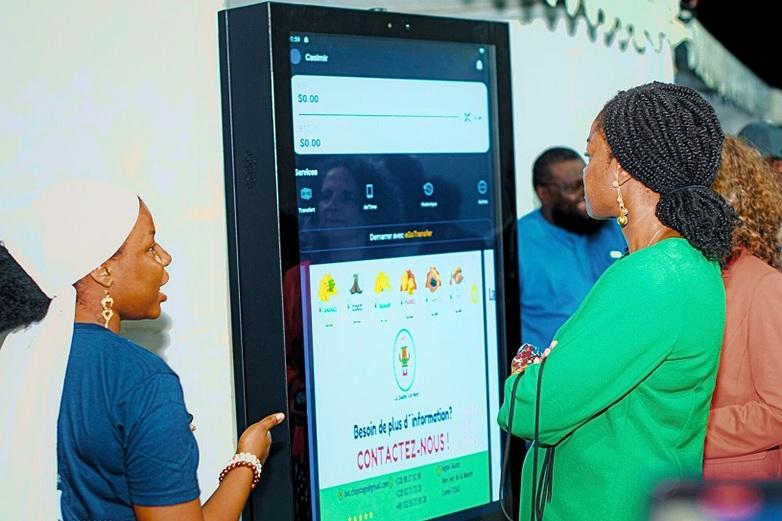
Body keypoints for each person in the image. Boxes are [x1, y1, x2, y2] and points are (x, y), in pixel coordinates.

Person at [498, 82, 737, 521]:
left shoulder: (650, 278)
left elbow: (533, 408)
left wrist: (524, 378)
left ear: (621, 170)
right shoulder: (688, 262)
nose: (586, 171)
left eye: (591, 156)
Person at [0, 180, 284, 521]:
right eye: (149, 247)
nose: (165, 257)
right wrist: (247, 461)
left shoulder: (19, 358)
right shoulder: (141, 379)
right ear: (102, 270)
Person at [704, 135, 782, 479]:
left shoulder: (763, 285)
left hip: (737, 488)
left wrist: (684, 428)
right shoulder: (694, 277)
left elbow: (777, 411)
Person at [518, 147, 626, 348]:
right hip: (552, 371)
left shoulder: (616, 226)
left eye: (585, 182)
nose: (585, 194)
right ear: (545, 194)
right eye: (572, 188)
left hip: (620, 361)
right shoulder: (517, 243)